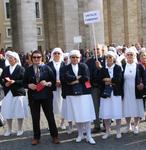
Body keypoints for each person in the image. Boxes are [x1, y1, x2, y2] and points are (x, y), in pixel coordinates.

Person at [23, 50, 59, 145]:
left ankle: (54, 136)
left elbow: (53, 82)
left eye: (38, 57)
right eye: (34, 57)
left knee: (50, 116)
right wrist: (28, 85)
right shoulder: (28, 69)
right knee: (35, 118)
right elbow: (24, 83)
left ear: (42, 58)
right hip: (33, 97)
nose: (36, 59)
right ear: (32, 59)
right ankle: (36, 137)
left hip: (46, 96)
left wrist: (47, 83)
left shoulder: (47, 68)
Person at [60, 50, 96, 144]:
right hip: (71, 94)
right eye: (73, 57)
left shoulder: (83, 66)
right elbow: (64, 78)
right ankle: (80, 134)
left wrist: (73, 81)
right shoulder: (65, 68)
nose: (75, 59)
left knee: (86, 115)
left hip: (84, 93)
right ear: (70, 58)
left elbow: (86, 78)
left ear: (79, 58)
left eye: (77, 57)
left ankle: (88, 135)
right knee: (77, 115)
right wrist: (77, 78)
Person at [0, 51, 28, 136]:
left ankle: (20, 129)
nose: (9, 59)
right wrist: (5, 83)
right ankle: (9, 129)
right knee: (8, 111)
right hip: (8, 92)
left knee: (19, 111)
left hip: (18, 93)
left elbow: (24, 81)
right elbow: (1, 79)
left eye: (11, 58)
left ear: (15, 59)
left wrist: (14, 82)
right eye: (8, 58)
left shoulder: (21, 69)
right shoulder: (6, 69)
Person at [98, 51, 123, 139]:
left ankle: (118, 131)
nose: (108, 59)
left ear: (114, 59)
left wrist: (108, 80)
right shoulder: (103, 69)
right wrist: (111, 80)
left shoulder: (118, 68)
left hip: (116, 93)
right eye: (107, 57)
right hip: (106, 93)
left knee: (117, 112)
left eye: (110, 57)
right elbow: (100, 80)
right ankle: (107, 131)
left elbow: (119, 79)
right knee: (106, 112)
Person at [122, 47, 145, 134]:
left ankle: (136, 126)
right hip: (126, 90)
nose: (130, 56)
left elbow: (144, 77)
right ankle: (128, 126)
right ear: (126, 56)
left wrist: (143, 84)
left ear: (134, 55)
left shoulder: (139, 66)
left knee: (136, 109)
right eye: (128, 54)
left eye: (131, 54)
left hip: (136, 91)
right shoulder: (123, 65)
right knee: (127, 109)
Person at [47, 48, 66, 129]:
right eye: (55, 53)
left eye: (58, 53)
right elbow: (46, 76)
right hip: (52, 88)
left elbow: (67, 75)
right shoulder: (49, 65)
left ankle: (62, 123)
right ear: (52, 55)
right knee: (51, 106)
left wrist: (61, 82)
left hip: (62, 88)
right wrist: (54, 82)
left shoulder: (64, 64)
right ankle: (51, 124)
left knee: (63, 106)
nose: (57, 55)